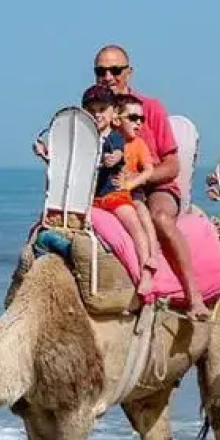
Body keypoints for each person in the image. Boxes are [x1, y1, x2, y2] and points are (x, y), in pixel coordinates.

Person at [35, 45, 208, 317]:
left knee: (160, 218)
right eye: (101, 71)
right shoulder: (92, 116)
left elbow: (172, 165)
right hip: (106, 187)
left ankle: (193, 295)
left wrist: (136, 179)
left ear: (129, 72)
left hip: (154, 186)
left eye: (115, 70)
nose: (108, 76)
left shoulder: (150, 108)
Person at [81, 85, 159, 296]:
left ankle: (146, 269)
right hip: (94, 198)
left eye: (102, 109)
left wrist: (114, 158)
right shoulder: (86, 140)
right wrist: (47, 154)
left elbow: (118, 152)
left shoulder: (114, 137)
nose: (97, 115)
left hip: (115, 195)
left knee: (134, 224)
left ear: (113, 112)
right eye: (91, 110)